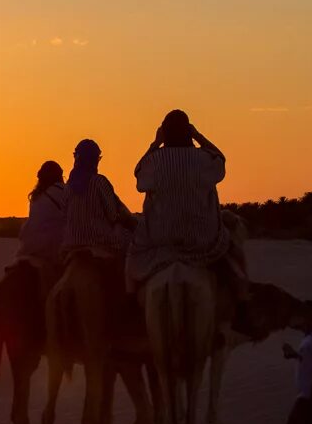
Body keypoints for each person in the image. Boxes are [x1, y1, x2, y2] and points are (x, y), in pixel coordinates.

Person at [126, 110, 240, 291]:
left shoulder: (153, 161)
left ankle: (129, 298)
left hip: (162, 242)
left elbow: (139, 175)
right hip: (203, 243)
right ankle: (241, 298)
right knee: (233, 255)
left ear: (164, 133)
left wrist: (155, 143)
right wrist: (198, 136)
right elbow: (220, 161)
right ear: (189, 132)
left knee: (131, 258)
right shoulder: (204, 159)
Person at [61, 139, 136, 262]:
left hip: (70, 245)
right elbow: (112, 215)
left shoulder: (68, 186)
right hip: (100, 244)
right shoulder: (99, 182)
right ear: (95, 159)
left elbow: (64, 215)